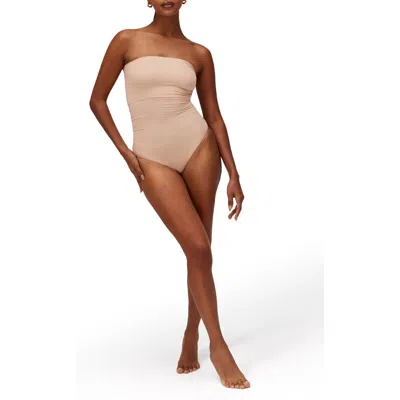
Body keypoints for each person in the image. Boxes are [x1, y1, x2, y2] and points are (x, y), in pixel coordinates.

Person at [89, 0, 249, 390]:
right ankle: (218, 345)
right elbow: (97, 100)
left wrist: (234, 172)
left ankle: (195, 332)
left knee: (201, 251)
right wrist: (126, 153)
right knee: (197, 246)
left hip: (199, 148)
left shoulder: (199, 53)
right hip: (151, 156)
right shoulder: (126, 40)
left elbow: (213, 115)